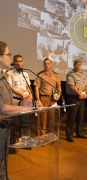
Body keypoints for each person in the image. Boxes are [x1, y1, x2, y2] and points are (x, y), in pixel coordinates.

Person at [0, 41, 42, 180]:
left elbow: (8, 101)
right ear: (0, 57)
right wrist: (26, 108)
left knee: (3, 160)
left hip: (5, 126)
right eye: (8, 54)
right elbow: (2, 108)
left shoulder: (3, 77)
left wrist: (24, 102)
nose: (10, 57)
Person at [6, 54, 33, 153]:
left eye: (20, 61)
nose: (19, 63)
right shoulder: (9, 73)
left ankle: (25, 143)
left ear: (23, 62)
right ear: (14, 62)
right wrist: (21, 94)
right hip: (14, 101)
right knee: (13, 123)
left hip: (24, 101)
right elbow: (10, 87)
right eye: (17, 61)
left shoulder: (25, 73)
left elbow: (28, 87)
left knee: (24, 123)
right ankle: (12, 146)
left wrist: (30, 94)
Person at [34, 58, 61, 135]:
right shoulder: (40, 75)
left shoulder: (56, 75)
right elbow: (36, 88)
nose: (47, 65)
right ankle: (41, 136)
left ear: (51, 64)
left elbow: (59, 86)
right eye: (45, 64)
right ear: (43, 65)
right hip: (43, 98)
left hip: (53, 98)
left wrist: (59, 95)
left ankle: (51, 135)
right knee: (42, 118)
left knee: (52, 119)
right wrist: (38, 100)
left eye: (48, 63)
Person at [66, 59, 87, 142]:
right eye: (77, 64)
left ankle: (80, 133)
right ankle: (69, 135)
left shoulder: (83, 74)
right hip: (73, 98)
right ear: (74, 65)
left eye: (80, 64)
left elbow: (86, 85)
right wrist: (79, 93)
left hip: (82, 97)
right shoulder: (70, 74)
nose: (78, 66)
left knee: (80, 116)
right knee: (72, 117)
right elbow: (71, 86)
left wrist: (86, 93)